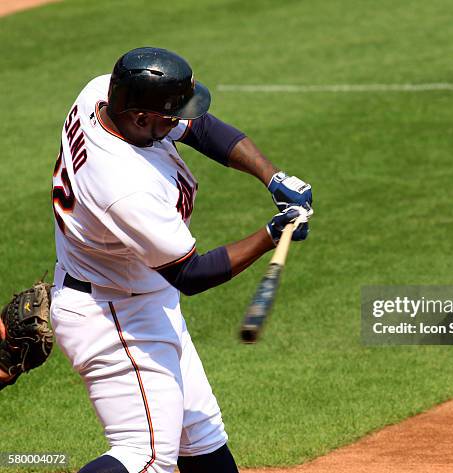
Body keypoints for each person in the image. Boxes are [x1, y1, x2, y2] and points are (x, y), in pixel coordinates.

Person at [50, 47, 313, 473]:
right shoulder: (126, 187)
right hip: (115, 319)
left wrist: (273, 176)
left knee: (203, 441)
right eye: (170, 115)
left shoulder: (104, 95)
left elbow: (201, 128)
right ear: (139, 117)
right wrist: (270, 234)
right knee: (145, 456)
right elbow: (190, 274)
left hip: (141, 296)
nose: (178, 121)